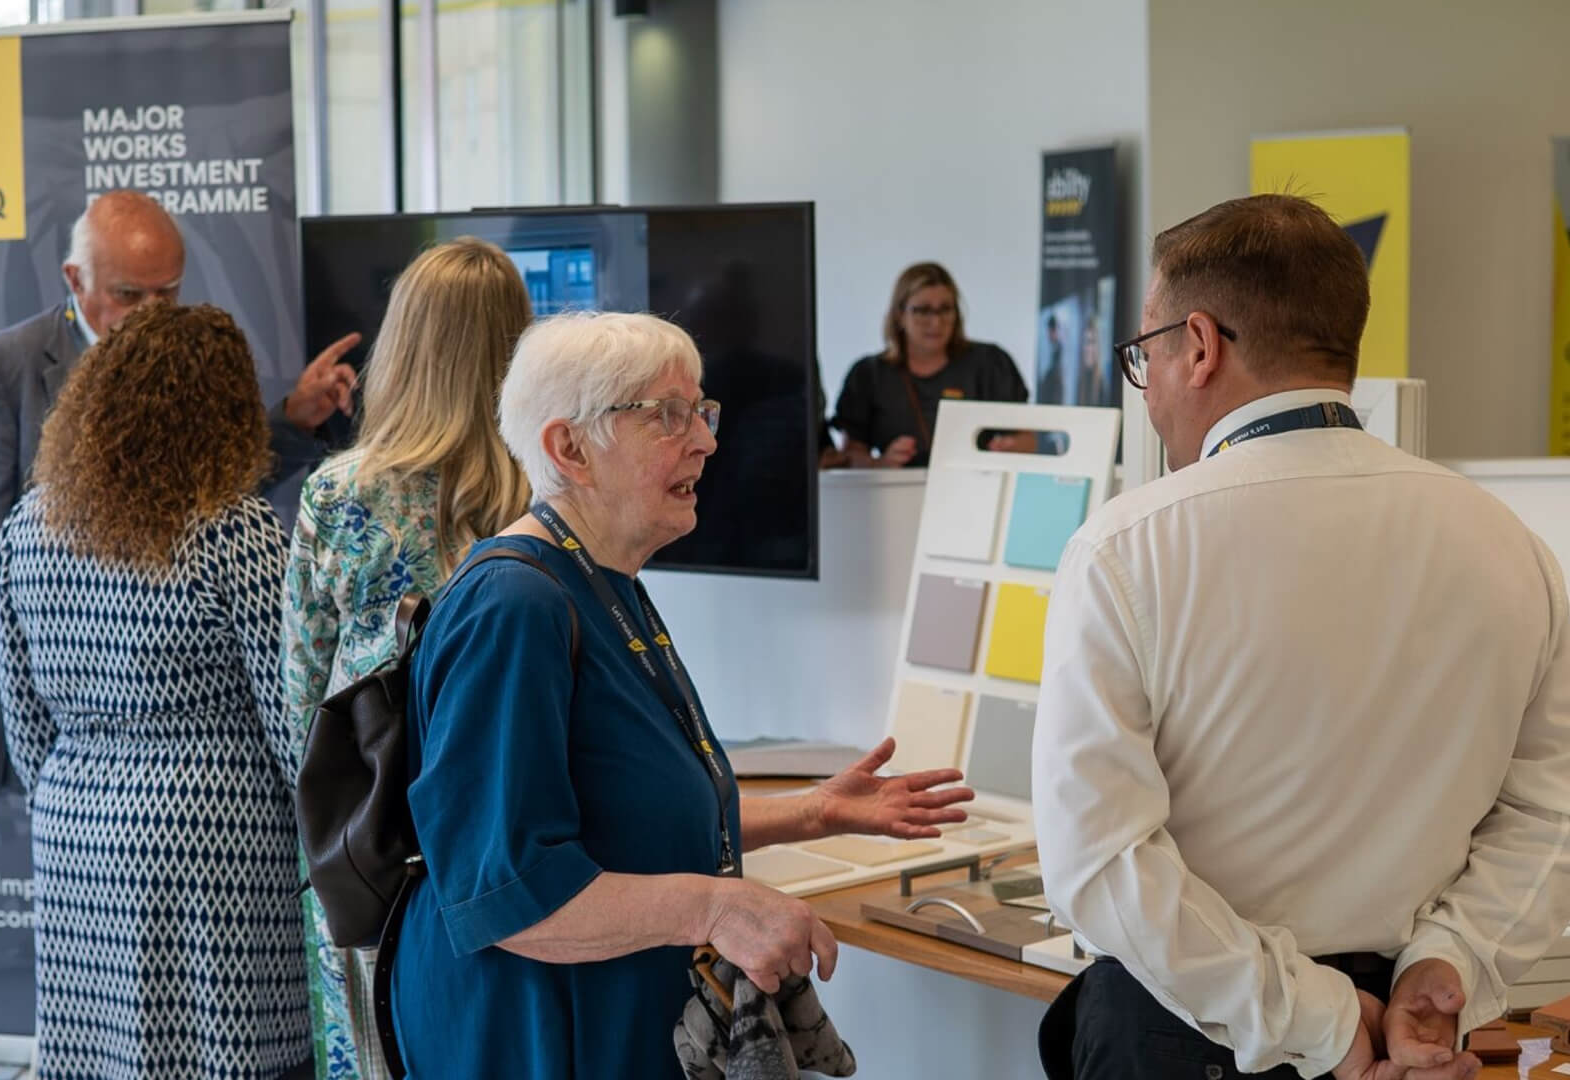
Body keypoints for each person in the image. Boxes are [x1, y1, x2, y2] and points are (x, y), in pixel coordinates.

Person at [1031, 193, 1570, 1080]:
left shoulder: (1127, 549)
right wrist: (1450, 969)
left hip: (1194, 1038)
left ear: (1199, 346)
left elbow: (1101, 865)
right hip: (1414, 1038)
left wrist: (1315, 1020)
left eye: (1146, 356)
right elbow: (1547, 813)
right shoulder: (1512, 546)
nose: (1151, 392)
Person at [391, 311, 978, 1077]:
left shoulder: (604, 581)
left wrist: (814, 811)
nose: (704, 439)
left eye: (701, 412)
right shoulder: (515, 606)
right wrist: (718, 907)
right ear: (569, 447)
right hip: (531, 1037)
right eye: (667, 416)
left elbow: (626, 815)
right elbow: (507, 890)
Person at [0, 189, 359, 796]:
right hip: (52, 732)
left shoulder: (186, 361)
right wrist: (65, 693)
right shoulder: (0, 371)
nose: (153, 314)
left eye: (169, 293)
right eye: (130, 296)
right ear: (75, 279)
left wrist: (290, 420)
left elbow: (197, 505)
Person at [0, 302, 311, 1080]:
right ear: (226, 411)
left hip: (73, 827)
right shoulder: (230, 529)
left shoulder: (29, 524)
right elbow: (289, 720)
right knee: (226, 1055)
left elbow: (23, 716)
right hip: (212, 834)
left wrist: (80, 789)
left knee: (102, 1057)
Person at [282, 237, 534, 1080]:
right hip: (511, 836)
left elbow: (304, 694)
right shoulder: (552, 496)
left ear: (403, 344)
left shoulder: (338, 495)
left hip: (370, 844)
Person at [833, 262, 1029, 466]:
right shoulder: (869, 374)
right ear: (900, 314)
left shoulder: (990, 363)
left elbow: (1027, 439)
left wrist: (1006, 449)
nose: (935, 322)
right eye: (923, 311)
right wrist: (882, 463)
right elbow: (850, 454)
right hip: (895, 492)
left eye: (945, 310)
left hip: (975, 489)